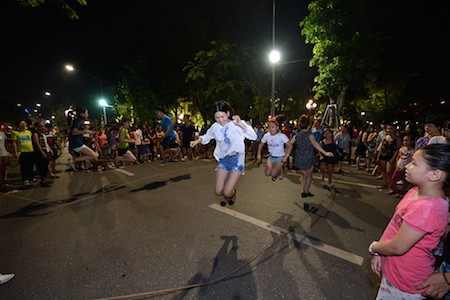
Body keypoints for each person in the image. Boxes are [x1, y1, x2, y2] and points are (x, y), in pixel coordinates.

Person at [369, 144, 450, 299]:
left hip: (405, 283)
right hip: (395, 272)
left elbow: (398, 247)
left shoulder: (428, 208)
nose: (407, 165)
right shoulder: (415, 192)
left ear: (434, 175)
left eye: (414, 163)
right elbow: (394, 223)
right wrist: (380, 251)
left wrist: (375, 247)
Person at [190, 101, 257, 206]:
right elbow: (206, 137)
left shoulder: (237, 123)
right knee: (218, 191)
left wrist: (241, 125)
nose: (220, 120)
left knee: (226, 191)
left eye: (222, 116)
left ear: (228, 114)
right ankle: (228, 193)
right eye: (217, 117)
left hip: (236, 160)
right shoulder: (215, 127)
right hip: (223, 160)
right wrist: (197, 141)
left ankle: (231, 193)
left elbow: (254, 137)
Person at [288, 114, 334, 198]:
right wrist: (325, 153)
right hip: (308, 157)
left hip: (299, 157)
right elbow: (315, 144)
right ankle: (306, 190)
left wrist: (284, 154)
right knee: (309, 174)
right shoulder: (310, 135)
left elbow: (289, 144)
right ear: (309, 125)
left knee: (303, 174)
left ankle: (302, 190)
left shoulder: (296, 135)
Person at [256, 116, 292, 181]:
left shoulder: (281, 136)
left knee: (273, 174)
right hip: (271, 157)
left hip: (280, 158)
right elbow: (260, 144)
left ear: (277, 127)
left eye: (273, 127)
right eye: (269, 127)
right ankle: (278, 169)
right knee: (267, 173)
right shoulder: (266, 135)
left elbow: (290, 145)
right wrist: (259, 154)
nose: (270, 129)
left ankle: (280, 170)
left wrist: (286, 156)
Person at [11, 119, 35, 186]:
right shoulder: (15, 133)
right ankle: (25, 179)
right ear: (18, 125)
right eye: (21, 123)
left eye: (24, 123)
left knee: (31, 165)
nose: (23, 124)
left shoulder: (29, 132)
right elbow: (14, 143)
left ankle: (31, 177)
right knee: (24, 166)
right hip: (22, 152)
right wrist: (16, 152)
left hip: (30, 150)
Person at [32, 121, 53, 187]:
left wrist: (50, 150)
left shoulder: (43, 134)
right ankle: (43, 181)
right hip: (40, 152)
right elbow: (37, 144)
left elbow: (46, 143)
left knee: (46, 166)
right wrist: (42, 152)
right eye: (41, 126)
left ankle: (45, 180)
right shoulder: (36, 134)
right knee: (42, 167)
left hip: (46, 150)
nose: (43, 127)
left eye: (43, 126)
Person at [0, 125, 12, 193]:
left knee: (4, 170)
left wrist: (7, 151)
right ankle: (2, 186)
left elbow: (5, 144)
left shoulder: (2, 133)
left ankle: (3, 184)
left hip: (3, 154)